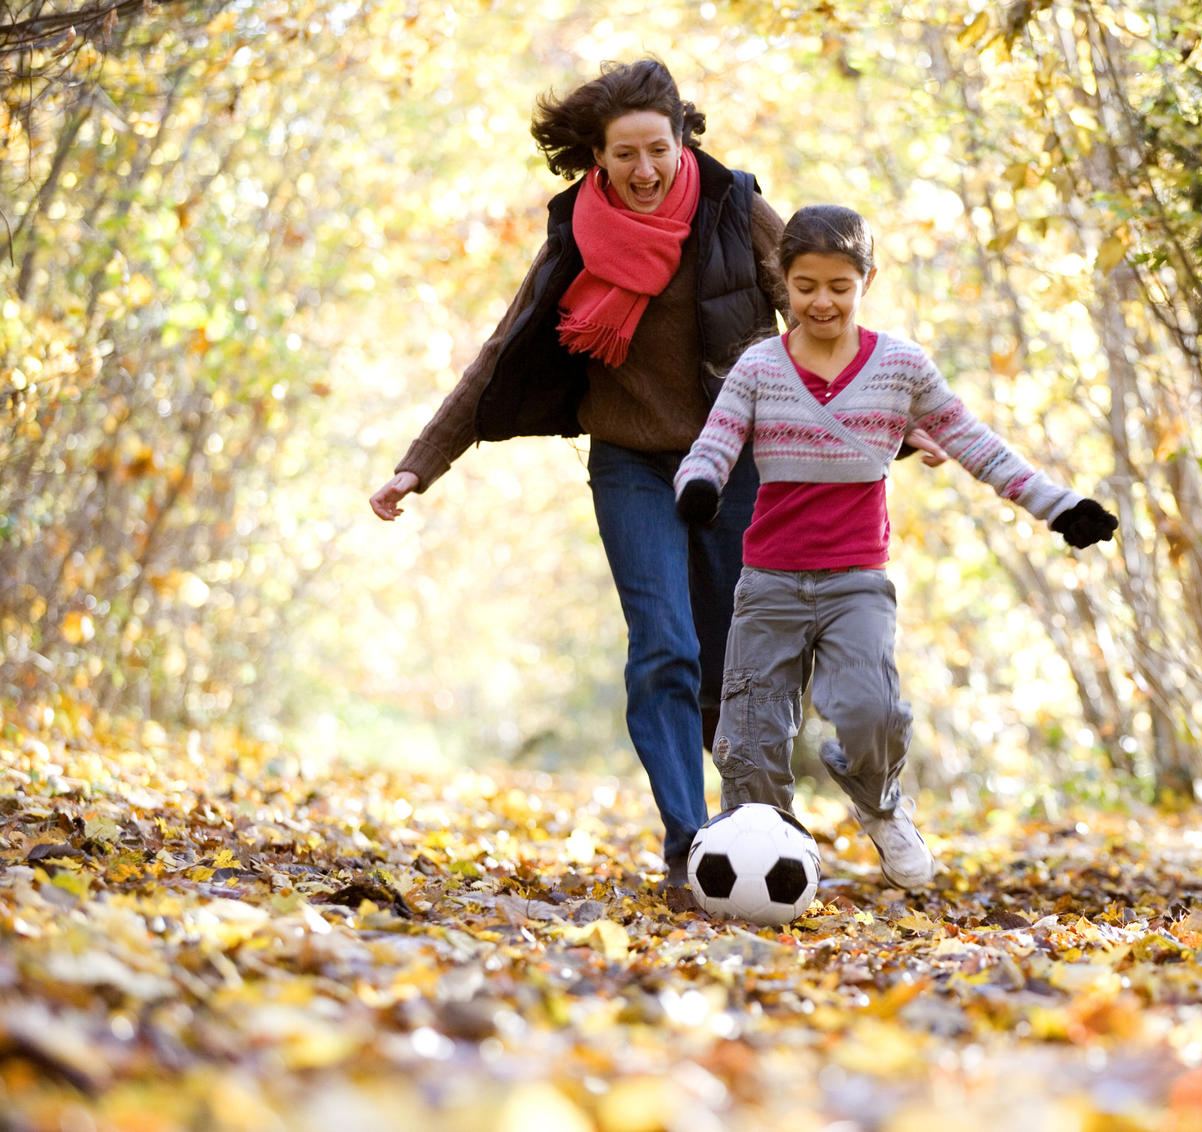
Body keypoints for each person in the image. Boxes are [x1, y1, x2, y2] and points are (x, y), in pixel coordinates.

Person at [368, 59, 790, 897]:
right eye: (624, 155)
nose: (643, 171)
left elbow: (817, 315)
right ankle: (687, 841)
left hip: (735, 461)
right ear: (596, 158)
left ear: (682, 141)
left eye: (657, 151)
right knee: (664, 646)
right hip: (630, 463)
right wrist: (420, 463)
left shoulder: (736, 209)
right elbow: (503, 348)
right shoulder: (578, 231)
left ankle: (758, 829)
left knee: (733, 665)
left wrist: (897, 419)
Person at [671, 204, 1119, 889]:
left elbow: (973, 443)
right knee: (751, 737)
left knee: (871, 712)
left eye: (839, 286)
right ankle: (761, 866)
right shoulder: (760, 368)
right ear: (782, 283)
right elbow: (716, 442)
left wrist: (1059, 509)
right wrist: (699, 484)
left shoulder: (900, 367)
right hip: (769, 581)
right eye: (806, 286)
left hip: (856, 582)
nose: (822, 301)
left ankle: (879, 804)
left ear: (867, 281)